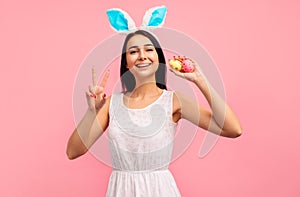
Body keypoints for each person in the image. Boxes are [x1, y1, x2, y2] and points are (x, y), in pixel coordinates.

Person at [66, 29, 242, 196]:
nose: (142, 55)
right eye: (133, 51)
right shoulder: (111, 103)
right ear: (126, 63)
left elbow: (233, 129)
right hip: (121, 191)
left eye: (149, 49)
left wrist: (200, 79)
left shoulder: (174, 101)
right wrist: (91, 111)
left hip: (160, 190)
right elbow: (73, 152)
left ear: (158, 59)